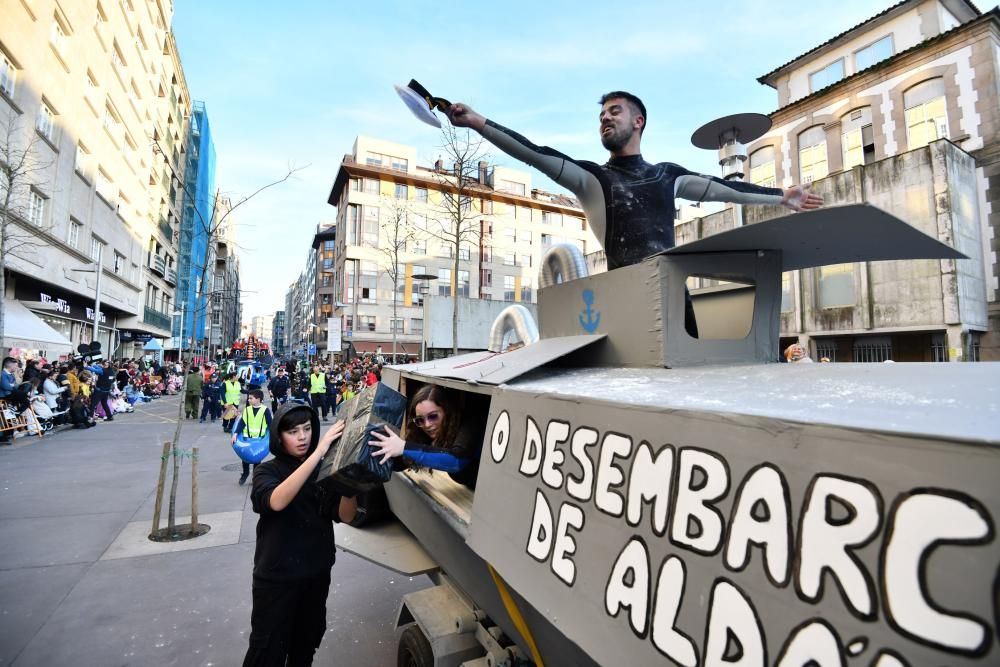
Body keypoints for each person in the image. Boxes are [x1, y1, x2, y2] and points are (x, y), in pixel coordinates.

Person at [447, 93, 824, 335]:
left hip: (677, 302)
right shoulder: (593, 178)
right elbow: (534, 151)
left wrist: (781, 196)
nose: (605, 120)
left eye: (615, 112)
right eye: (601, 116)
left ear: (638, 121)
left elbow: (723, 188)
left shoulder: (667, 175)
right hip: (624, 305)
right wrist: (478, 122)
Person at [243, 403, 349, 666]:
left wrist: (352, 483)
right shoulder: (266, 470)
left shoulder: (323, 470)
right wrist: (320, 452)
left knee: (305, 647)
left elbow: (345, 514)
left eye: (307, 429)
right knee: (267, 652)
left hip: (315, 576)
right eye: (293, 431)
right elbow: (275, 501)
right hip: (277, 580)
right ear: (279, 437)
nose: (303, 437)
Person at [369, 384, 483, 489]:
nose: (427, 425)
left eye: (433, 416)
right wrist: (375, 455)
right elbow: (403, 461)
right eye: (420, 420)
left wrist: (404, 447)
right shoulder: (429, 432)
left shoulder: (469, 425)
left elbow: (456, 460)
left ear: (447, 411)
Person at [232, 389, 273, 485]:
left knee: (257, 459)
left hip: (259, 439)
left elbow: (270, 424)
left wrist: (274, 436)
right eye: (248, 398)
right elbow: (242, 422)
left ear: (258, 399)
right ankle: (245, 474)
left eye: (251, 398)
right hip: (247, 438)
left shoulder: (265, 410)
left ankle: (256, 477)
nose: (248, 400)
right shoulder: (247, 409)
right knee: (245, 457)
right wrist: (235, 433)